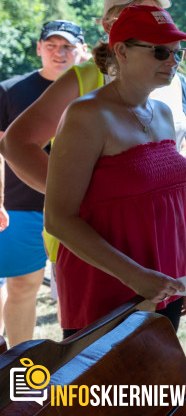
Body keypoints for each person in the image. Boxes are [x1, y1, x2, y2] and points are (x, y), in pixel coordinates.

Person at [45, 6, 186, 336]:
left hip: (164, 284)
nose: (172, 62)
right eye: (160, 51)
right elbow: (59, 218)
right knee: (105, 389)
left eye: (177, 53)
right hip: (108, 291)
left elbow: (173, 200)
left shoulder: (161, 112)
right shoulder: (86, 115)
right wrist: (134, 275)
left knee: (157, 387)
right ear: (121, 51)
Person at [0, 0, 186, 209]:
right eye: (138, 14)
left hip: (159, 224)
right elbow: (16, 143)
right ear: (109, 26)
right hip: (95, 231)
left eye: (158, 15)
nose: (153, 22)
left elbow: (177, 152)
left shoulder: (171, 78)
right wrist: (76, 200)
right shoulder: (82, 77)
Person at [0, 19, 85, 346]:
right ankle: (18, 374)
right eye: (51, 45)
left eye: (67, 46)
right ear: (38, 48)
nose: (59, 53)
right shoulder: (10, 91)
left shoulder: (95, 90)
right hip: (21, 206)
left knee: (74, 295)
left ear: (81, 50)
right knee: (22, 285)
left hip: (79, 207)